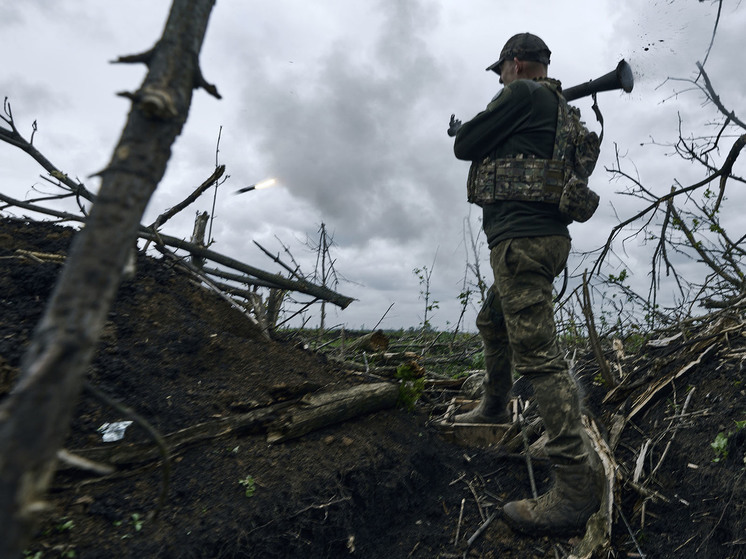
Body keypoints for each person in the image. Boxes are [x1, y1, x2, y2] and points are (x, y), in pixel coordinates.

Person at [450, 32, 603, 536]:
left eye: (500, 72)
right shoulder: (557, 106)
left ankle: (576, 489)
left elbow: (465, 145)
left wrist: (475, 126)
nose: (499, 79)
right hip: (541, 239)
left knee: (539, 358)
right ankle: (495, 403)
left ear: (515, 64)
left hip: (521, 240)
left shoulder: (522, 95)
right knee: (493, 320)